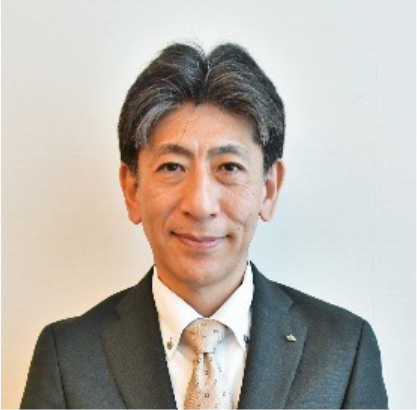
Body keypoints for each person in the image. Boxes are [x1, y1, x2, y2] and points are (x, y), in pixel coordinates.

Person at [20, 42, 388, 409]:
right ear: (132, 189)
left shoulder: (343, 350)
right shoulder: (69, 358)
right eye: (172, 167)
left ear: (269, 188)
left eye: (228, 167)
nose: (200, 205)